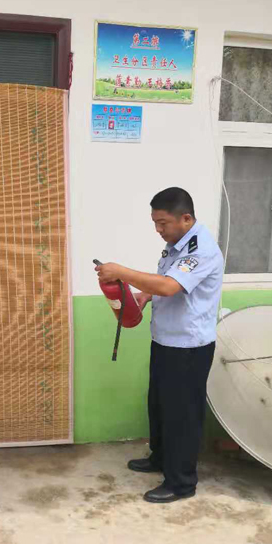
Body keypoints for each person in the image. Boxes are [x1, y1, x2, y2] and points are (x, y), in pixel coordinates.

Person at [96, 187, 223, 503]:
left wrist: (121, 271)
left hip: (188, 347)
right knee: (160, 406)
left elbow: (169, 286)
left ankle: (181, 483)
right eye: (155, 222)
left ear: (186, 218)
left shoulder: (201, 249)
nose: (158, 229)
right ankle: (162, 458)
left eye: (163, 223)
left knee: (182, 414)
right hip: (166, 340)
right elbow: (167, 282)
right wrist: (146, 294)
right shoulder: (175, 246)